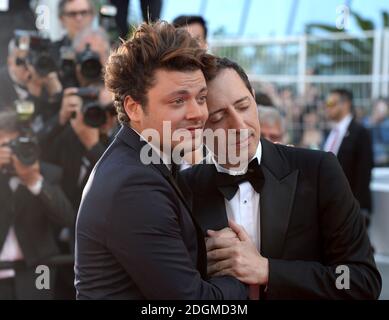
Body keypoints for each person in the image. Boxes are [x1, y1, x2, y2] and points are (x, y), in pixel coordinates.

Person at [179, 58, 381, 299]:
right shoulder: (183, 189)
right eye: (218, 117)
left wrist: (268, 270)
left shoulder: (318, 170)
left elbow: (361, 280)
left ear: (253, 97)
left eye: (243, 106)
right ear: (198, 124)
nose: (239, 124)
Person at [74, 22, 247, 300]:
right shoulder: (134, 185)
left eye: (201, 98)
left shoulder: (145, 163)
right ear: (134, 108)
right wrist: (238, 272)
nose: (197, 113)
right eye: (178, 101)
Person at [0, 109, 74, 300]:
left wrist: (34, 181)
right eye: (4, 146)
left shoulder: (48, 174)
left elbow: (68, 218)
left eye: (15, 146)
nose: (11, 153)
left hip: (37, 270)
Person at [323, 89, 374, 220]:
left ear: (345, 104)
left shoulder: (360, 132)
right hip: (331, 206)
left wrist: (358, 208)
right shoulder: (331, 133)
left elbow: (364, 172)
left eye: (330, 103)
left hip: (351, 208)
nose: (326, 107)